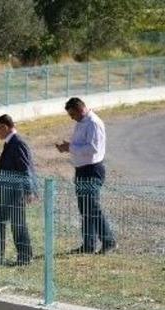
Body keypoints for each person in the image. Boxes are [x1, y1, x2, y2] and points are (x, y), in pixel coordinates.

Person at [55, 97, 117, 254]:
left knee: (93, 207)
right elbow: (80, 145)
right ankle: (88, 245)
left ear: (80, 110)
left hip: (92, 170)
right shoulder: (81, 123)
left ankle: (108, 241)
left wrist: (71, 147)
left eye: (72, 114)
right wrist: (68, 147)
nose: (71, 118)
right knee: (85, 208)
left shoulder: (93, 123)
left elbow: (93, 148)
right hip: (82, 170)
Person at [0, 114, 38, 266]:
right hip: (7, 191)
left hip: (17, 192)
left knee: (18, 224)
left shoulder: (18, 143)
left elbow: (25, 169)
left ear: (5, 127)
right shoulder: (10, 143)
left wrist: (28, 191)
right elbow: (7, 167)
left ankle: (25, 256)